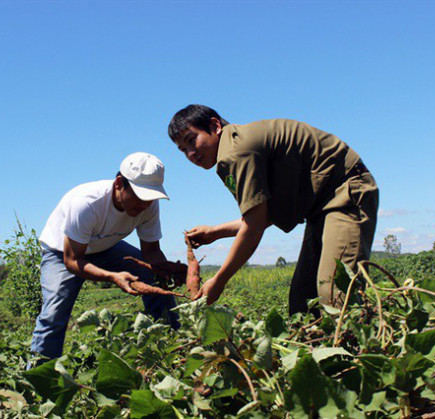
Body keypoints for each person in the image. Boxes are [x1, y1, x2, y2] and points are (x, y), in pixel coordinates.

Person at [168, 104, 378, 315]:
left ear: (215, 126)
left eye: (191, 140)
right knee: (302, 300)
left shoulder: (236, 152)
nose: (190, 153)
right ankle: (317, 344)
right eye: (183, 149)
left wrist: (219, 280)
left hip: (345, 193)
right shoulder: (236, 146)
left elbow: (255, 224)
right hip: (321, 208)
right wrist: (215, 233)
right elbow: (262, 214)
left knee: (336, 293)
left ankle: (357, 345)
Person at [30, 152, 184, 361]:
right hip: (63, 252)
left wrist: (166, 269)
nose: (144, 205)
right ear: (120, 183)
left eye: (150, 198)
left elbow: (151, 252)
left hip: (106, 247)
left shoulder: (149, 204)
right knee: (54, 313)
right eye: (140, 196)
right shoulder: (87, 203)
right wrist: (112, 276)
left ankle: (173, 347)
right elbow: (72, 260)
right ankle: (38, 376)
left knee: (152, 277)